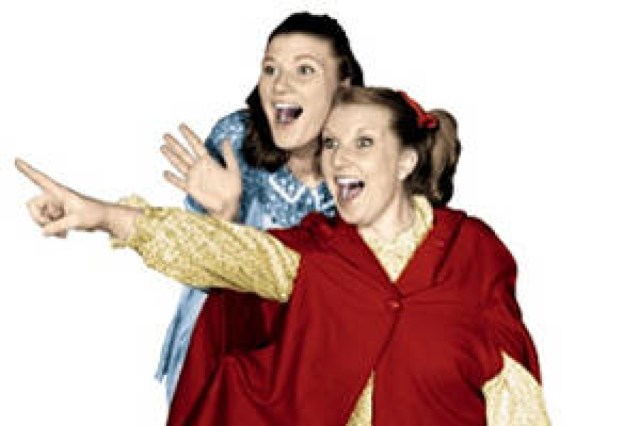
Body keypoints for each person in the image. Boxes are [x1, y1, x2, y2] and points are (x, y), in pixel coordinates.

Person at [16, 86, 550, 424]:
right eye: (331, 144)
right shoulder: (314, 252)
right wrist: (105, 216)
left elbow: (513, 387)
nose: (339, 159)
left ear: (407, 160)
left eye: (363, 143)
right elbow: (223, 252)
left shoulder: (473, 250)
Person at [156, 11, 364, 401]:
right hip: (227, 353)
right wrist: (224, 220)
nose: (280, 85)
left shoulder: (368, 159)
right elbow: (195, 273)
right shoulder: (234, 139)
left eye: (304, 70)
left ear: (343, 86)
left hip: (320, 363)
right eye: (270, 69)